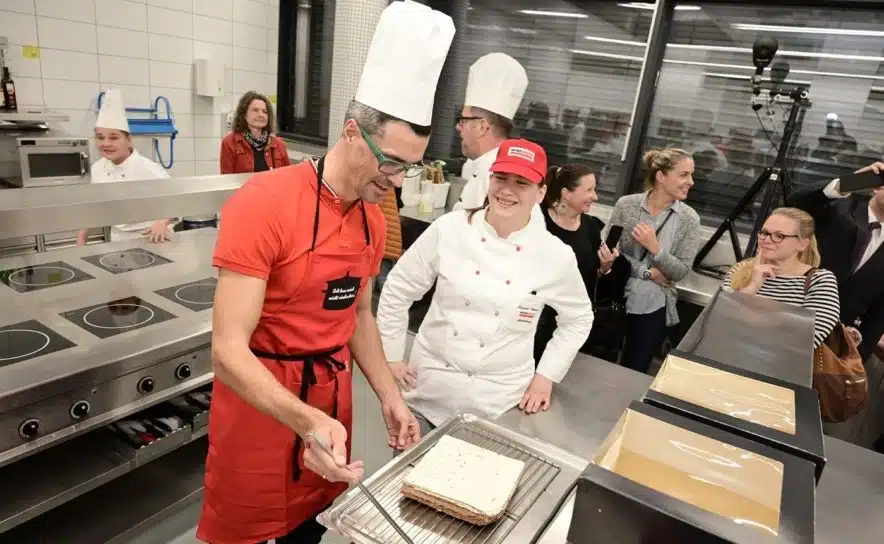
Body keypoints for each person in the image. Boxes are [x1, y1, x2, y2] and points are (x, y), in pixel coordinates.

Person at [196, 3, 455, 543]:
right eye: (391, 162)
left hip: (332, 408)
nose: (399, 181)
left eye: (410, 166)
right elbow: (227, 349)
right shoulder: (264, 204)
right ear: (351, 132)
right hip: (261, 410)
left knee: (311, 533)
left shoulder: (371, 217)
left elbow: (357, 313)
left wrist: (388, 394)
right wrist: (305, 420)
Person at [376, 139, 594, 438]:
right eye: (500, 178)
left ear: (541, 192)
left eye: (522, 182)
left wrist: (546, 376)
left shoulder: (554, 255)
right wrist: (391, 355)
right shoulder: (450, 229)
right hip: (427, 390)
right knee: (408, 479)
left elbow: (579, 318)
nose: (507, 189)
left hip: (499, 403)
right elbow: (399, 289)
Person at [606, 148, 701, 374]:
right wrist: (647, 272)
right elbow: (610, 250)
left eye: (691, 175)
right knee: (603, 362)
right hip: (615, 297)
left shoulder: (689, 219)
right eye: (684, 175)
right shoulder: (626, 205)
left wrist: (655, 248)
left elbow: (680, 271)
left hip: (654, 308)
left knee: (634, 370)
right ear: (661, 176)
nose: (691, 182)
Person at [789, 161, 884, 361]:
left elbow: (879, 315)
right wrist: (848, 183)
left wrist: (855, 358)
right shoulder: (840, 208)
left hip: (834, 348)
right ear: (877, 186)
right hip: (790, 315)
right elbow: (795, 203)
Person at [534, 164, 625, 363]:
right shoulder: (536, 222)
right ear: (566, 193)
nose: (596, 196)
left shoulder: (591, 226)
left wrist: (605, 268)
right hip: (534, 322)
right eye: (589, 190)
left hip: (569, 325)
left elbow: (588, 278)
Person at [723, 207, 841, 349]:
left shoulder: (820, 281)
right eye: (764, 233)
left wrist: (747, 319)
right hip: (727, 352)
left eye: (779, 236)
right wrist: (752, 287)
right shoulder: (741, 269)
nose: (766, 240)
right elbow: (719, 318)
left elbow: (803, 341)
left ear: (802, 244)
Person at [76, 89, 175, 245]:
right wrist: (81, 239)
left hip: (152, 237)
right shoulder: (97, 169)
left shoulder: (148, 169)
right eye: (100, 138)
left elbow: (177, 202)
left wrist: (162, 222)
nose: (106, 144)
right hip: (118, 238)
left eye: (114, 138)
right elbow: (93, 206)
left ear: (128, 140)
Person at [454, 53, 528, 210]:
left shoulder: (500, 180)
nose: (458, 127)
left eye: (463, 120)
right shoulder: (479, 167)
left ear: (481, 127)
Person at [220, 91, 291, 175]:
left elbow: (288, 177)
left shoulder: (279, 145)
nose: (261, 115)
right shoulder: (229, 143)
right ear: (243, 114)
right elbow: (227, 180)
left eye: (264, 111)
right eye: (255, 110)